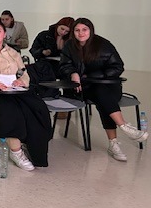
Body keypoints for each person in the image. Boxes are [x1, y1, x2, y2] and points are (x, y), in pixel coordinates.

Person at [59, 18, 148, 161]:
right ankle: (122, 130)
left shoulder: (103, 44)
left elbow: (118, 67)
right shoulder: (69, 46)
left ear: (91, 30)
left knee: (102, 94)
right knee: (102, 97)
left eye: (84, 30)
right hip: (83, 88)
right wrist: (73, 73)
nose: (81, 33)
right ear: (73, 32)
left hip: (108, 85)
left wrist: (94, 76)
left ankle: (115, 141)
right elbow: (64, 66)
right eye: (77, 30)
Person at [0, 21, 52, 170]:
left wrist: (21, 81)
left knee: (37, 107)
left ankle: (34, 149)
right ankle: (16, 151)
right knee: (11, 110)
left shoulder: (12, 52)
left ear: (4, 34)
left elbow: (24, 73)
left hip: (11, 90)